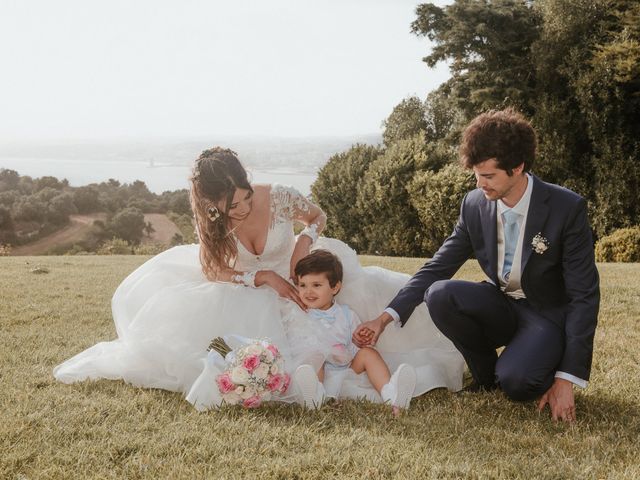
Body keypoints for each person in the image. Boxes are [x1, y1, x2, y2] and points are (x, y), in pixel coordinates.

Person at [53, 147, 463, 407]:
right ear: (211, 203)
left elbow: (316, 216)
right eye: (231, 206)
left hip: (304, 275)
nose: (243, 209)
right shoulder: (210, 222)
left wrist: (305, 243)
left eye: (246, 198)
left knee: (380, 298)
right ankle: (313, 388)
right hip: (250, 288)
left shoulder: (279, 195)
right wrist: (262, 277)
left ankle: (388, 381)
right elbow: (214, 269)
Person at [354, 108, 600, 423]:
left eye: (488, 176)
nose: (479, 183)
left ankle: (533, 361)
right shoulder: (474, 204)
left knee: (518, 383)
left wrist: (567, 377)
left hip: (546, 316)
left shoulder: (566, 208)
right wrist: (384, 319)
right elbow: (438, 265)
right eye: (476, 174)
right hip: (501, 305)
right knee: (440, 293)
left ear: (518, 167)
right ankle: (485, 377)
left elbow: (584, 295)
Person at [289, 250, 417, 413]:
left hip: (346, 369)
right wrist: (324, 352)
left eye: (316, 285)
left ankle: (391, 395)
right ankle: (315, 395)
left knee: (368, 353)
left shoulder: (347, 314)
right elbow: (296, 345)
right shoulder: (299, 313)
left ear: (335, 287)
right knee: (315, 356)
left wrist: (358, 343)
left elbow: (355, 345)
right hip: (316, 372)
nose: (308, 292)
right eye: (303, 285)